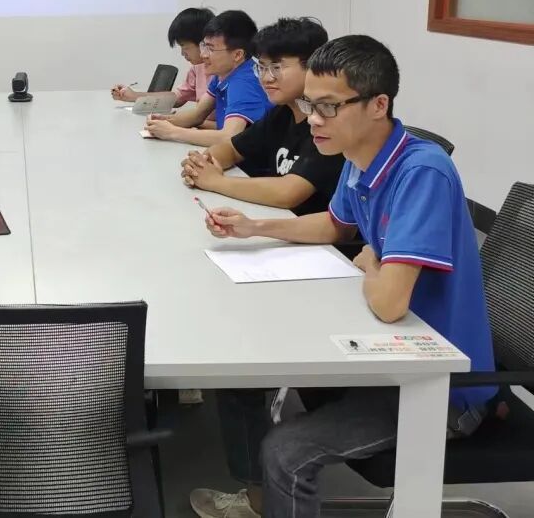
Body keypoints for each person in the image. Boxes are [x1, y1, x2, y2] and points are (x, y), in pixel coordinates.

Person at [189, 35, 496, 518]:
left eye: (329, 107)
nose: (314, 118)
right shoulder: (359, 157)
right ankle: (261, 501)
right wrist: (254, 227)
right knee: (241, 377)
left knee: (286, 452)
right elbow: (335, 225)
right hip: (387, 350)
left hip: (438, 383)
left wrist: (373, 261)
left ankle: (277, 494)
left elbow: (390, 303)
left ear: (378, 105)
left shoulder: (422, 171)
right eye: (311, 104)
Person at [180, 17, 344, 215]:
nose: (266, 78)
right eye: (262, 67)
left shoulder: (327, 123)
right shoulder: (282, 113)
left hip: (308, 231)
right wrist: (201, 164)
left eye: (276, 68)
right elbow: (231, 148)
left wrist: (216, 181)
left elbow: (289, 192)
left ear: (312, 67)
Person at [146, 10, 271, 146]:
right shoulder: (222, 74)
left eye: (211, 49)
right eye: (203, 46)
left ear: (237, 55)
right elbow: (197, 115)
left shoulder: (244, 82)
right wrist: (165, 121)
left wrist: (171, 132)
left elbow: (229, 137)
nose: (203, 55)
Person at [111, 8, 215, 120]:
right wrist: (134, 96)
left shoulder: (222, 72)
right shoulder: (197, 69)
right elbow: (175, 98)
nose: (182, 53)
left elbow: (221, 124)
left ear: (204, 42)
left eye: (185, 47)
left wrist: (177, 121)